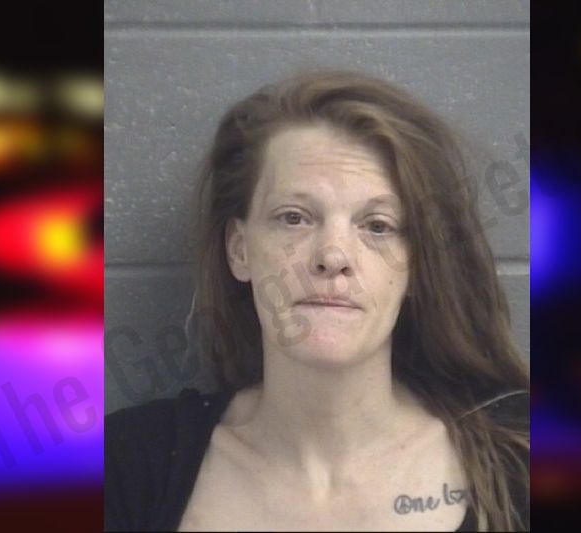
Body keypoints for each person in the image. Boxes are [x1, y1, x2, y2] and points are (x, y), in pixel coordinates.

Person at [105, 69, 529, 531]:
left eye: (378, 226)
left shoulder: (521, 466)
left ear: (418, 265)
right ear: (240, 249)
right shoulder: (125, 467)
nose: (333, 256)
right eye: (294, 218)